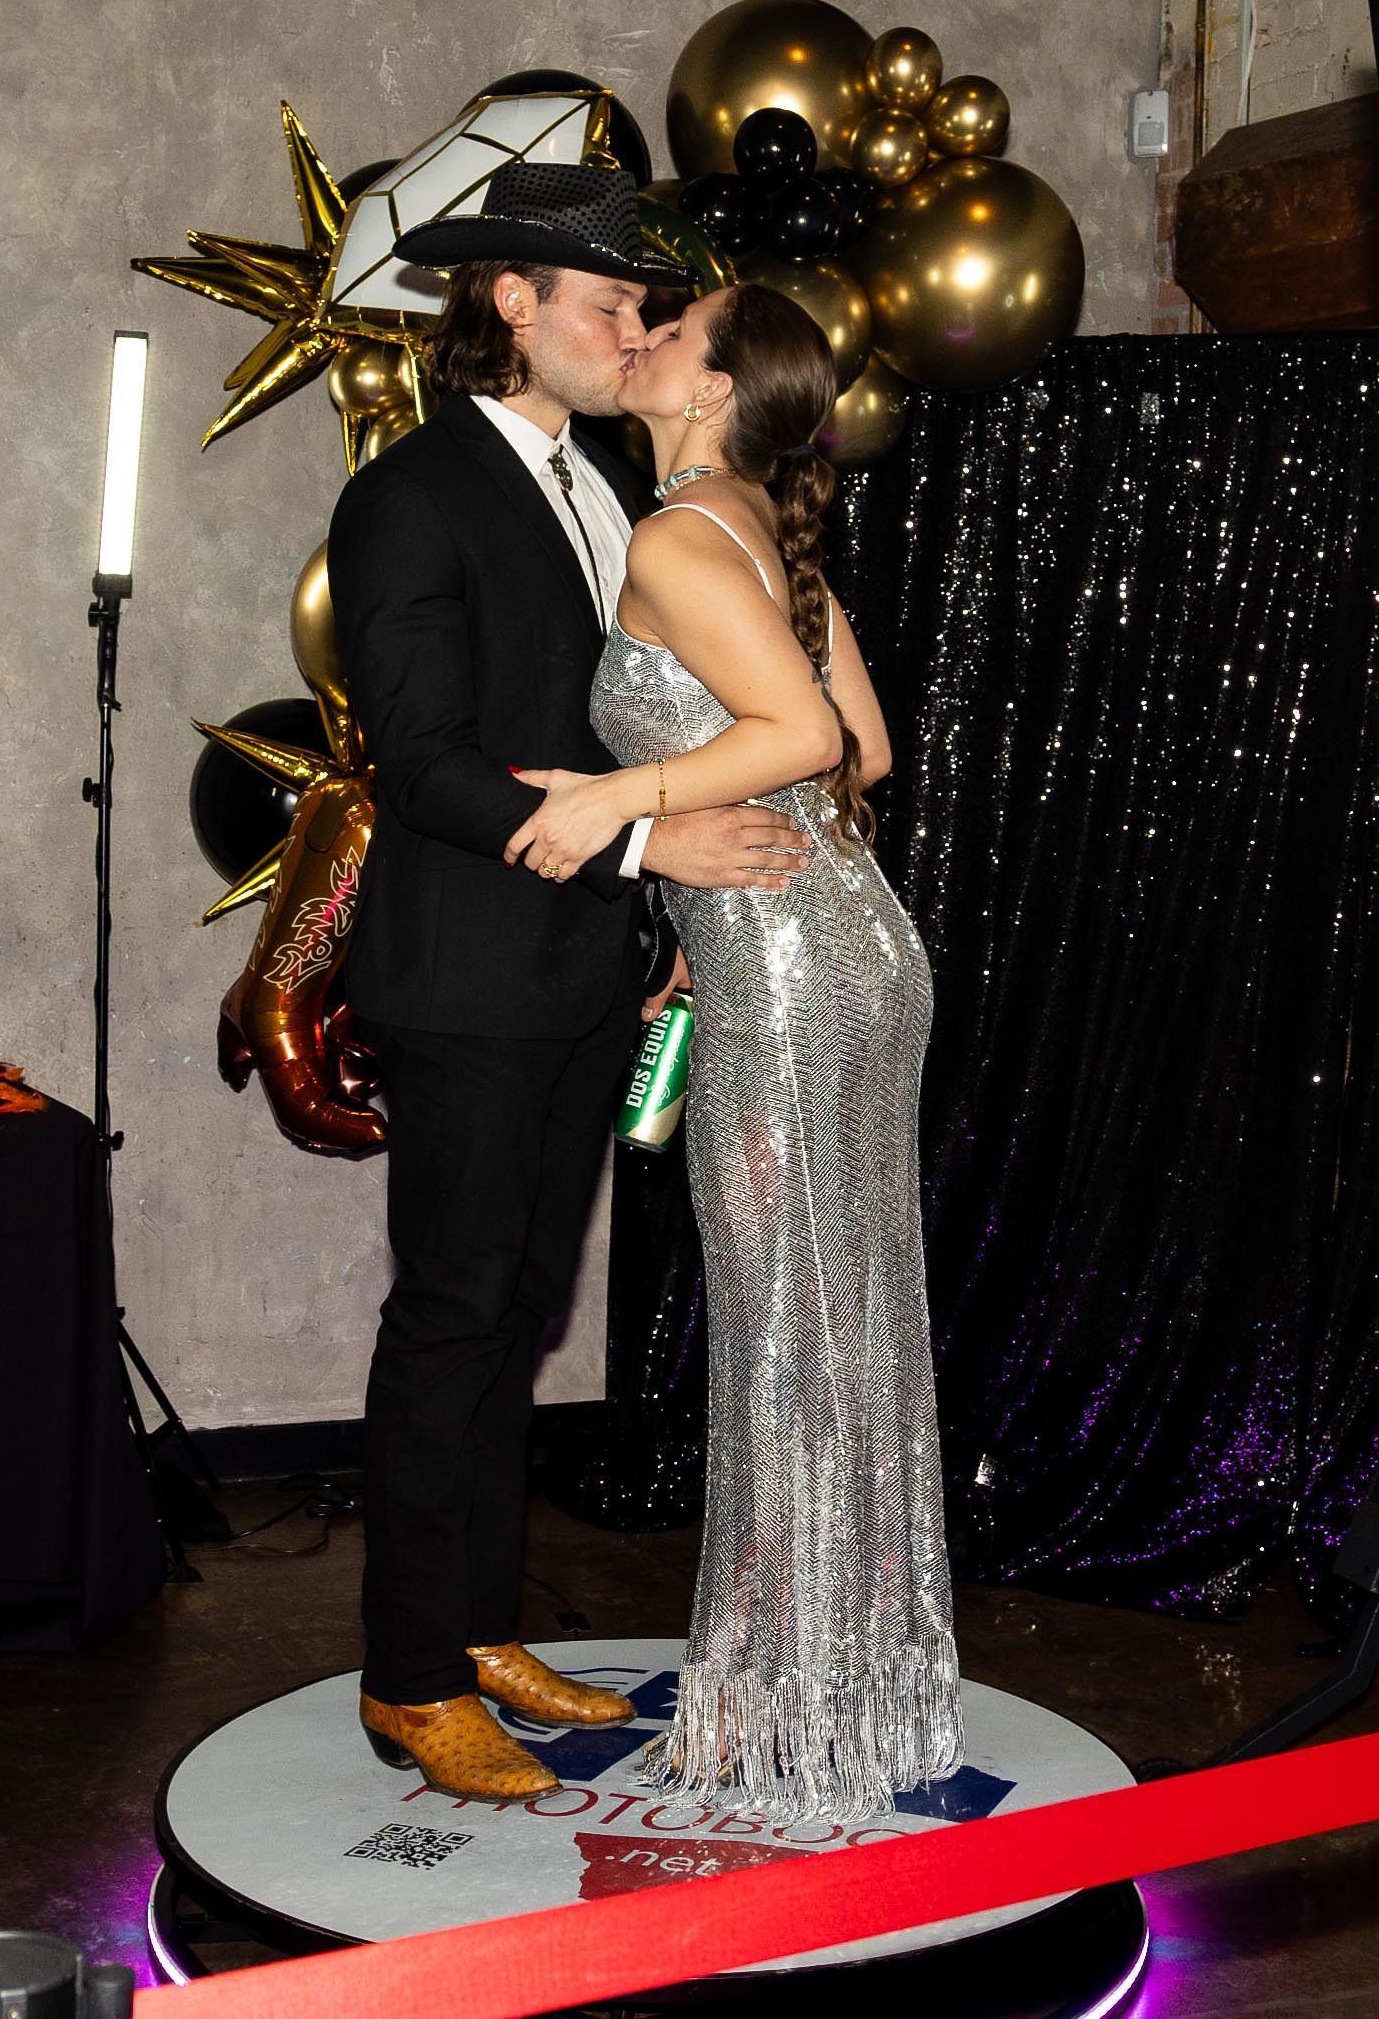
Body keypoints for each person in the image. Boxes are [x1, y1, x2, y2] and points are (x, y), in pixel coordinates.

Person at [326, 166, 815, 1806]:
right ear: (511, 303)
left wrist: (649, 904)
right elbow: (426, 765)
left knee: (522, 1320)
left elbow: (636, 724)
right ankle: (407, 1677)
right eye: (608, 303)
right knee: (455, 1320)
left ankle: (476, 1631)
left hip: (584, 976)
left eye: (648, 312)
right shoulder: (414, 491)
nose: (635, 333)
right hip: (467, 975)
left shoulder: (614, 482)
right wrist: (643, 857)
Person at [506, 281, 963, 1821]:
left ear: (713, 387)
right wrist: (704, 946)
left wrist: (605, 796)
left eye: (669, 328)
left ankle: (774, 1714)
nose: (636, 336)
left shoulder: (676, 537)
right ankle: (861, 1697)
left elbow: (816, 746)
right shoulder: (756, 527)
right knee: (849, 1317)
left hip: (793, 967)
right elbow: (872, 749)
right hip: (850, 951)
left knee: (785, 1327)